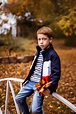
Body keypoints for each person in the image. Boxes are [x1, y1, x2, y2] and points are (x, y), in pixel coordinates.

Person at [15, 26, 61, 114]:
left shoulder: (53, 55)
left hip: (40, 85)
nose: (41, 42)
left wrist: (50, 88)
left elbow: (56, 74)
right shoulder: (38, 51)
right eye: (39, 39)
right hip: (31, 81)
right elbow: (34, 67)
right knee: (18, 99)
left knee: (36, 110)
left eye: (44, 39)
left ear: (50, 40)